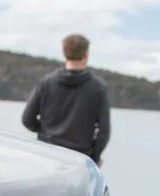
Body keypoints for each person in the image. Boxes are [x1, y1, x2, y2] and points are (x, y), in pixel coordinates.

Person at [21, 33, 111, 167]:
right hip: (79, 160)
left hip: (47, 155)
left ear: (64, 52)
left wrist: (46, 132)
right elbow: (104, 131)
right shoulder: (98, 88)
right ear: (86, 54)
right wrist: (94, 157)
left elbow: (27, 120)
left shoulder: (46, 83)